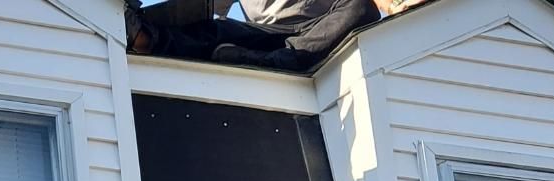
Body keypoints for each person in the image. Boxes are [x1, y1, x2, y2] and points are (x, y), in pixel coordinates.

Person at [125, 0, 381, 71]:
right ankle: (147, 39)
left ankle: (280, 61)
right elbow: (204, 10)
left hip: (325, 23)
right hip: (267, 35)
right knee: (218, 30)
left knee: (362, 6)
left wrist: (397, 5)